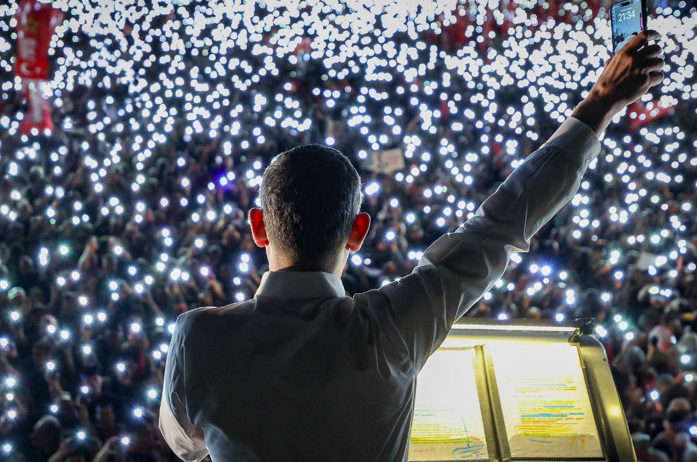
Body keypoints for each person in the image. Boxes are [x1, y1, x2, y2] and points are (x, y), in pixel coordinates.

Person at [158, 30, 666, 461]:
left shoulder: (199, 337)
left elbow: (185, 446)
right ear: (359, 232)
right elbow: (501, 225)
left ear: (258, 227)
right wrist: (601, 102)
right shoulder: (392, 330)